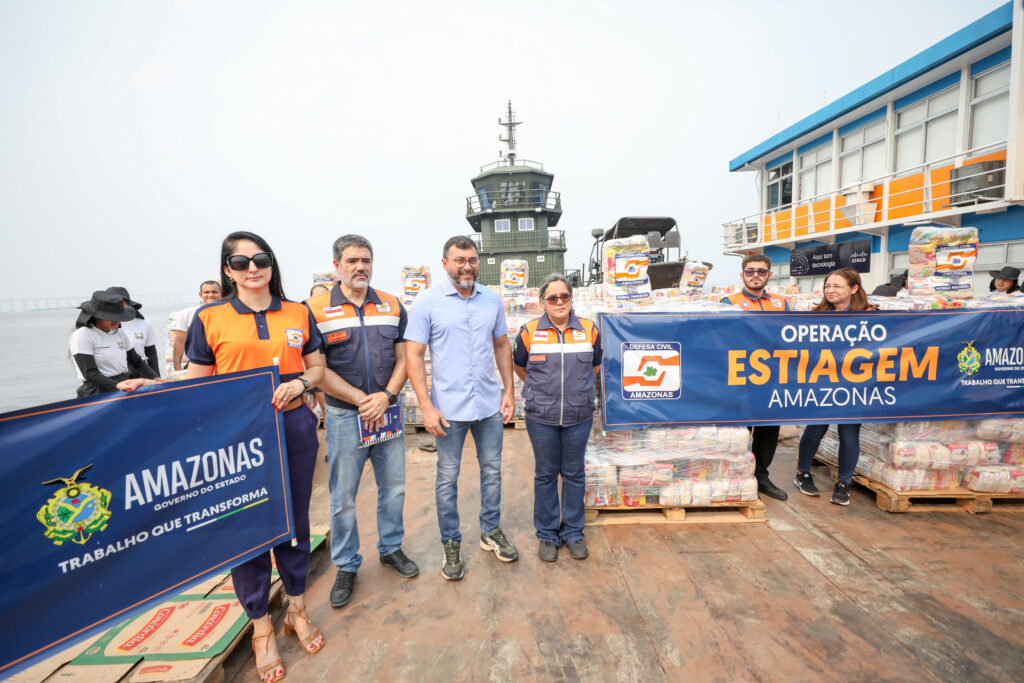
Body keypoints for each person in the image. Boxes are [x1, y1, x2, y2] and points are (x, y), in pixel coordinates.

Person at [129, 232, 326, 682]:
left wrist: (302, 384)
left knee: (295, 521)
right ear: (227, 269)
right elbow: (197, 383)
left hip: (294, 427)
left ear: (272, 265)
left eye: (260, 259)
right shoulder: (210, 316)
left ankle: (296, 607)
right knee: (247, 526)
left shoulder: (298, 312)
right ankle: (261, 627)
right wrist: (154, 387)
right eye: (240, 262)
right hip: (238, 439)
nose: (252, 268)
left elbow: (316, 367)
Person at [306, 235, 418, 610]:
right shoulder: (315, 310)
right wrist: (361, 401)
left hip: (387, 412)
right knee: (342, 498)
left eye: (366, 260)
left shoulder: (391, 304)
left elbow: (406, 358)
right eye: (352, 260)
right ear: (336, 264)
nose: (360, 267)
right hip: (343, 416)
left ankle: (390, 548)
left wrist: (385, 397)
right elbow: (315, 369)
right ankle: (347, 565)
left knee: (394, 488)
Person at [405, 235, 519, 581]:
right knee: (447, 478)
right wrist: (426, 406)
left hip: (487, 404)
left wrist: (509, 391)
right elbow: (413, 355)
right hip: (448, 409)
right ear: (445, 264)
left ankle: (490, 530)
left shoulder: (491, 301)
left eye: (472, 259)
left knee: (492, 471)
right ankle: (451, 542)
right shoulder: (427, 303)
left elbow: (501, 346)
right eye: (459, 260)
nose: (467, 266)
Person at [512, 273, 601, 562]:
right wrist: (542, 392)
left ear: (571, 298)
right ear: (543, 303)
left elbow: (595, 367)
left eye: (564, 296)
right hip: (542, 417)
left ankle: (573, 532)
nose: (559, 302)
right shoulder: (528, 332)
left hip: (578, 415)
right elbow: (520, 367)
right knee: (546, 474)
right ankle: (548, 534)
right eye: (552, 298)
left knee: (574, 474)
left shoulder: (589, 330)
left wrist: (577, 391)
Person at [793, 268, 875, 506]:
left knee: (849, 434)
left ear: (854, 288)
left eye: (837, 286)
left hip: (855, 384)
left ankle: (843, 483)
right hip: (822, 381)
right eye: (827, 286)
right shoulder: (815, 315)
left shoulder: (871, 315)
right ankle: (802, 473)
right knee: (816, 428)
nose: (830, 291)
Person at [720, 254, 790, 501]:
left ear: (769, 275)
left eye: (761, 271)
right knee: (739, 430)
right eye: (750, 271)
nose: (756, 275)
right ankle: (737, 477)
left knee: (769, 430)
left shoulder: (782, 304)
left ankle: (761, 476)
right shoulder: (729, 302)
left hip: (773, 377)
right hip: (740, 377)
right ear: (742, 276)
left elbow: (793, 337)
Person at [69, 291, 160, 397]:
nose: (117, 322)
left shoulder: (120, 333)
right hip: (97, 388)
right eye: (112, 319)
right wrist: (116, 386)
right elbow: (90, 373)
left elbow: (136, 361)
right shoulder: (82, 335)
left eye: (119, 318)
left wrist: (155, 378)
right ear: (97, 316)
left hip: (124, 382)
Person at [169, 280, 222, 372]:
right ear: (200, 294)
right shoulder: (188, 314)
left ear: (221, 294)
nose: (210, 295)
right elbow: (180, 341)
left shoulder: (229, 314)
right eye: (206, 292)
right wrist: (177, 367)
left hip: (223, 362)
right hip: (198, 363)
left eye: (214, 292)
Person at [105, 286, 159, 375]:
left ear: (128, 304)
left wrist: (156, 377)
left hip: (141, 370)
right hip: (115, 373)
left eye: (121, 303)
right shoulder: (104, 327)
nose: (117, 307)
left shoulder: (144, 324)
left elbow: (151, 353)